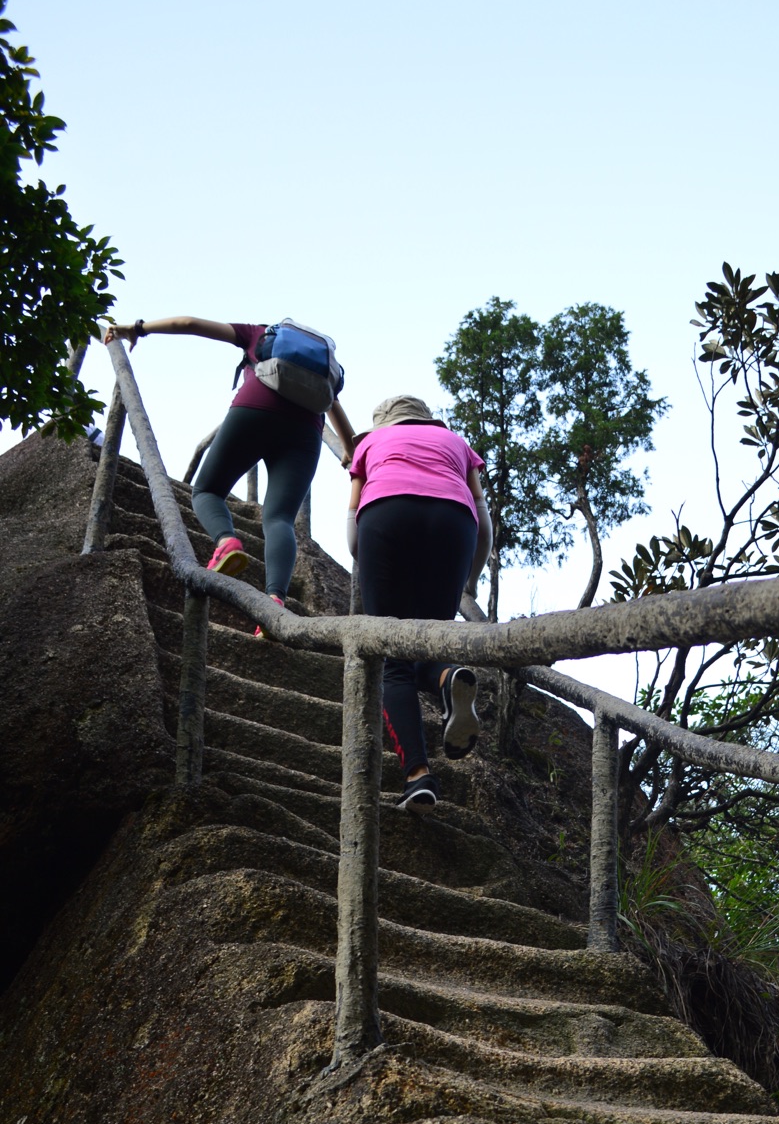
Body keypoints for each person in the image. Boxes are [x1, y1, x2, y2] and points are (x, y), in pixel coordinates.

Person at [104, 316, 356, 631]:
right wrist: (349, 451)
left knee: (207, 491)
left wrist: (138, 328)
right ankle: (274, 604)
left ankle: (226, 541)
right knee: (279, 519)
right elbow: (335, 407)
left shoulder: (260, 334)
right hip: (306, 431)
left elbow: (187, 323)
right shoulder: (317, 369)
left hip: (255, 407)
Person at [347, 395, 493, 811]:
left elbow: (353, 516)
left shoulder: (369, 445)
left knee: (392, 659)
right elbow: (482, 515)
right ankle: (449, 678)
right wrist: (472, 577)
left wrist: (367, 557)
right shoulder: (455, 443)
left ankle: (418, 776)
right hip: (453, 521)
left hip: (386, 515)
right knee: (428, 640)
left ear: (383, 423)